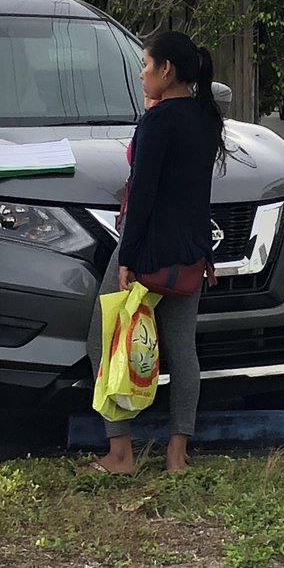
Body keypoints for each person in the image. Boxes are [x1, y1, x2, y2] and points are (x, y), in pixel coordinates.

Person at [86, 31, 226, 475]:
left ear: (167, 70)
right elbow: (197, 194)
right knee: (182, 352)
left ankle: (120, 452)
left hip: (147, 251)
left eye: (146, 65)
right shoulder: (206, 116)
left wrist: (126, 256)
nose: (141, 74)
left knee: (106, 341)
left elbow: (142, 193)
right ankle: (177, 454)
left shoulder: (159, 120)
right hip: (189, 254)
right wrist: (206, 253)